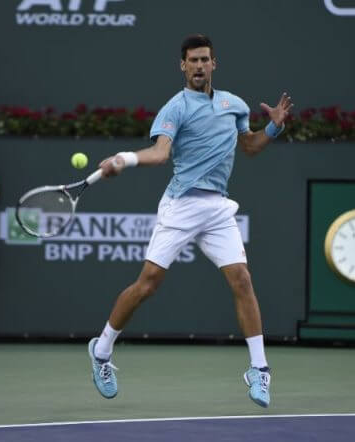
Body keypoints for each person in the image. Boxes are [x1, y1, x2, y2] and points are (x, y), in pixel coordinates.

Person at [87, 34, 293, 407]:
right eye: (192, 61)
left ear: (215, 63)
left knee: (242, 280)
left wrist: (274, 128)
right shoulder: (174, 108)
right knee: (148, 283)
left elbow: (249, 146)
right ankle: (101, 350)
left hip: (217, 208)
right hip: (181, 205)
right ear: (183, 66)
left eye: (205, 60)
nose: (199, 66)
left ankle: (259, 370)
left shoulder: (234, 105)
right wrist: (124, 159)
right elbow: (160, 153)